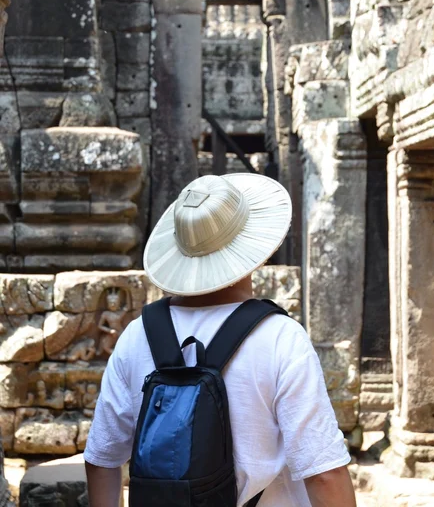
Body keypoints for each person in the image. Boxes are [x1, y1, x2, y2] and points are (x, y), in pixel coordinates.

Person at [84, 173, 356, 507]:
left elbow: (102, 458)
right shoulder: (279, 338)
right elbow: (324, 473)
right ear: (256, 246)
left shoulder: (136, 335)